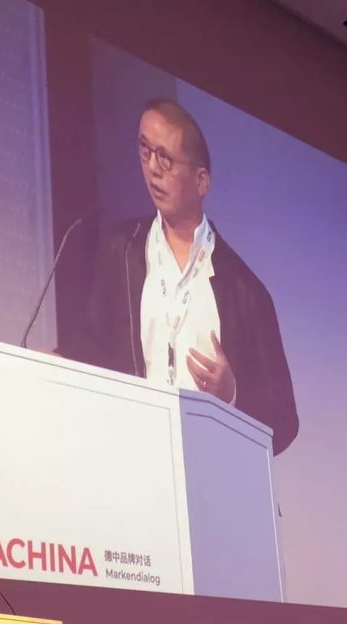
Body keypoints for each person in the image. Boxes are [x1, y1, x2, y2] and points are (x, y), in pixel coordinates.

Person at [88, 98, 299, 455]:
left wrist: (232, 395)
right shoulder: (119, 251)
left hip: (210, 471)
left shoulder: (245, 290)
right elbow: (93, 351)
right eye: (145, 150)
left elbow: (285, 420)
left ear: (201, 181)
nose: (152, 168)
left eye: (165, 159)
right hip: (133, 461)